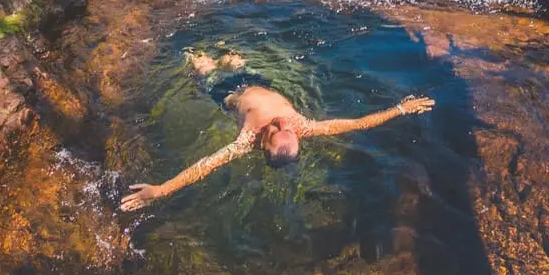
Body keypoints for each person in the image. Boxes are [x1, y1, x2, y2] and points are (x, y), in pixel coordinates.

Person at [120, 86, 434, 211]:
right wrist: (399, 109)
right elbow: (358, 123)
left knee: (200, 63)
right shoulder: (301, 125)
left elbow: (205, 166)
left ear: (263, 143)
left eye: (279, 129)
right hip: (252, 80)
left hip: (227, 94)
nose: (284, 123)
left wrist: (161, 191)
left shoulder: (246, 140)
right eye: (286, 129)